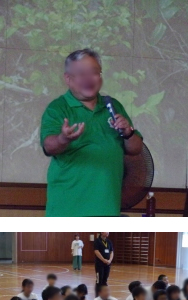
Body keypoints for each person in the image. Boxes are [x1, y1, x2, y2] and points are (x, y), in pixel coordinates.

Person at [40, 49, 142, 217]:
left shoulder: (112, 105)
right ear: (68, 79)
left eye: (94, 73)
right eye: (81, 74)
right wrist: (63, 138)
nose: (88, 79)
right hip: (68, 209)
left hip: (108, 207)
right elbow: (49, 146)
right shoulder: (57, 108)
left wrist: (128, 133)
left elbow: (136, 149)